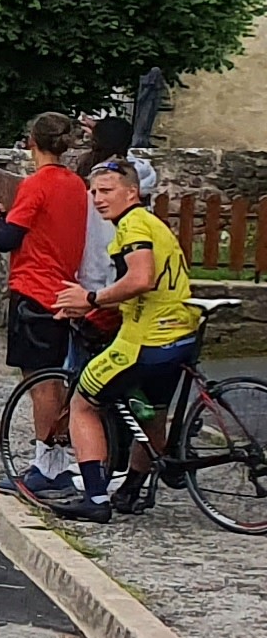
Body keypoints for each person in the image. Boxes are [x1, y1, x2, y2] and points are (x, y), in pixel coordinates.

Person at [45, 157, 205, 523]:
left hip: (144, 339)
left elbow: (140, 279)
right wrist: (92, 307)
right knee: (153, 416)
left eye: (106, 191)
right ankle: (131, 489)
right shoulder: (152, 223)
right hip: (179, 335)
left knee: (85, 404)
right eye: (94, 191)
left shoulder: (132, 225)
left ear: (132, 192)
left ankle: (96, 499)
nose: (97, 198)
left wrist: (89, 299)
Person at [0, 112, 98, 502]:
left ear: (31, 142)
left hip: (34, 288)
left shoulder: (36, 184)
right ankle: (58, 460)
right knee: (57, 376)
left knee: (39, 382)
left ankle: (47, 465)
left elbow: (8, 238)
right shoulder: (75, 184)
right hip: (65, 287)